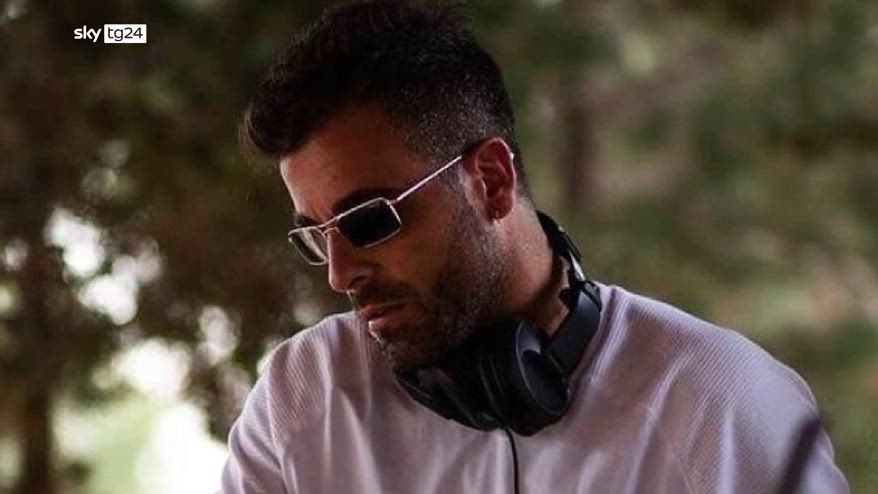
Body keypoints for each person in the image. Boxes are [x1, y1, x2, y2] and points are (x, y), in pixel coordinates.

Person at [219, 1, 849, 492]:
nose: (338, 273)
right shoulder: (302, 398)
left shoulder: (723, 408)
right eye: (317, 234)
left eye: (367, 221)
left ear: (490, 182)